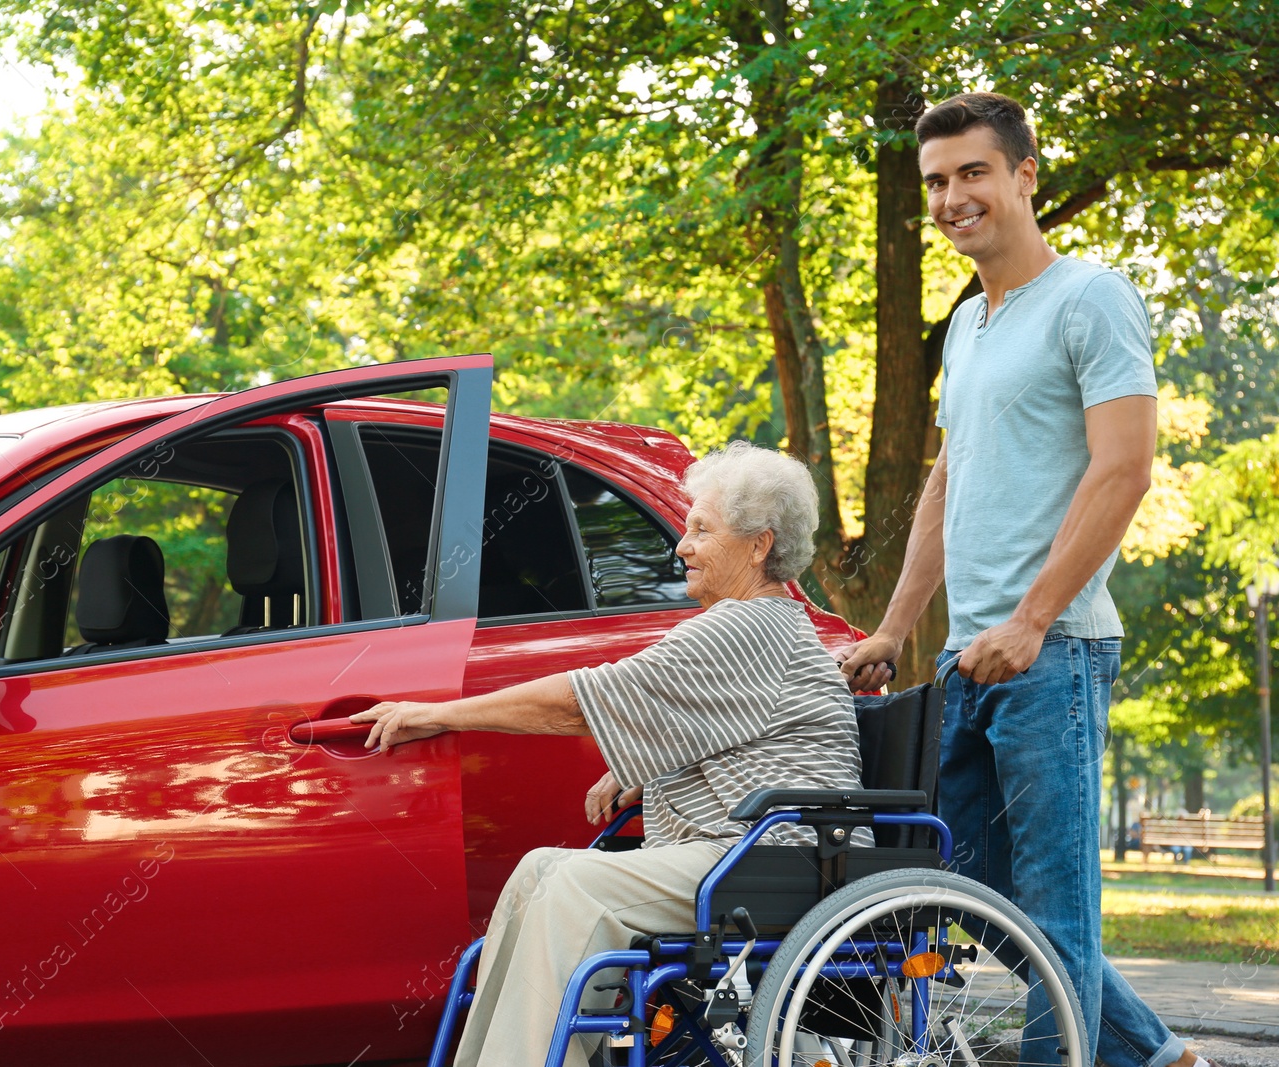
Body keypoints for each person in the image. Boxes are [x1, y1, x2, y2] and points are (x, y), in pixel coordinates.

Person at [840, 92, 1214, 1067]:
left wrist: (1035, 617)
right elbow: (946, 487)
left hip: (1052, 653)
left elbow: (1123, 467)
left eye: (972, 172)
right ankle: (1158, 1050)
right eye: (935, 181)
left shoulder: (1090, 296)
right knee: (970, 889)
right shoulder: (966, 325)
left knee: (1054, 906)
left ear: (1023, 176)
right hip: (972, 658)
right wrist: (892, 627)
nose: (952, 197)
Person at [352, 442, 862, 1067]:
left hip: (776, 858)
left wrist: (440, 714)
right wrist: (640, 769)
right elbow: (719, 725)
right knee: (540, 867)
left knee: (575, 887)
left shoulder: (744, 625)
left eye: (701, 529)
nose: (682, 546)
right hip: (752, 850)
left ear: (759, 545)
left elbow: (581, 701)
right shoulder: (765, 626)